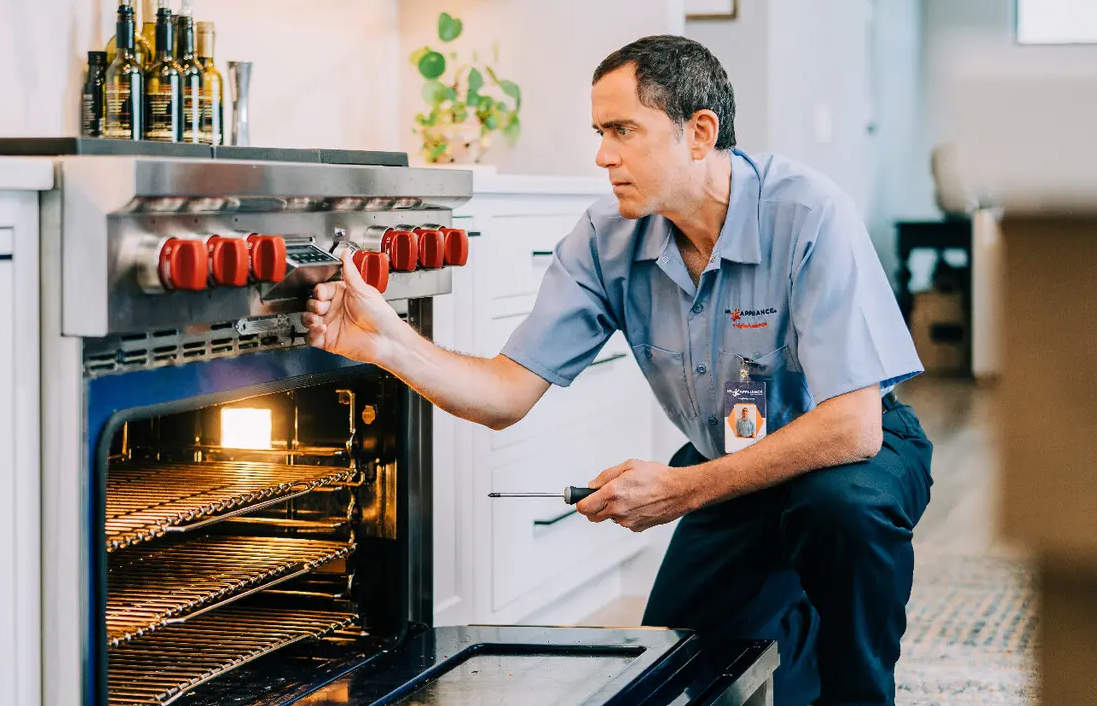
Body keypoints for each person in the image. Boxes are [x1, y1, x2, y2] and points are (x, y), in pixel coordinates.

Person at [304, 34, 933, 706]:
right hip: (734, 467)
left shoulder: (807, 214)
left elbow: (853, 426)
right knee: (678, 675)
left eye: (623, 130)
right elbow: (503, 393)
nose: (603, 155)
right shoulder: (606, 240)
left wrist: (682, 489)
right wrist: (386, 343)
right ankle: (798, 626)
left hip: (848, 453)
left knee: (838, 511)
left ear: (699, 132)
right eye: (600, 131)